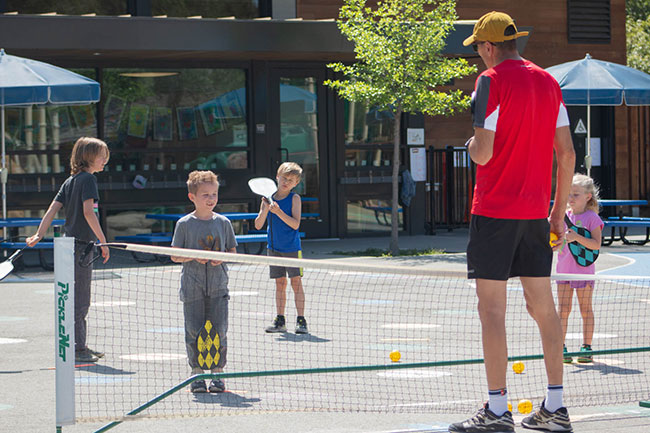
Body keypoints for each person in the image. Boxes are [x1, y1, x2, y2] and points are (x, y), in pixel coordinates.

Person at [449, 11, 576, 433]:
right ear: (513, 42)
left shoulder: (490, 82)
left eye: (479, 51)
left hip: (495, 210)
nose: (480, 60)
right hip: (535, 213)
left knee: (492, 311)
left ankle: (497, 411)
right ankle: (555, 407)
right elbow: (568, 155)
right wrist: (557, 211)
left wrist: (469, 144)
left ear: (488, 47)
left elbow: (483, 153)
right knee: (544, 309)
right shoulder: (548, 80)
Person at [26, 137, 111, 363]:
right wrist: (102, 240)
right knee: (81, 300)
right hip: (82, 247)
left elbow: (52, 210)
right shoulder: (88, 181)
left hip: (66, 246)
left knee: (70, 299)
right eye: (102, 155)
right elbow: (88, 212)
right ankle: (78, 349)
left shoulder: (70, 180)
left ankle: (77, 345)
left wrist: (38, 234)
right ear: (88, 157)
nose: (105, 160)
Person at [171, 170, 237, 393]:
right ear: (193, 197)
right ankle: (197, 373)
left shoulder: (224, 222)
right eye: (205, 195)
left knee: (219, 330)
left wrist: (222, 258)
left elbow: (233, 252)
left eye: (214, 194)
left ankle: (218, 373)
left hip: (219, 285)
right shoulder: (184, 224)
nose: (211, 199)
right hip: (192, 286)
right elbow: (175, 255)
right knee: (193, 330)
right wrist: (193, 256)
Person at [254, 162, 308, 334]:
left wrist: (278, 212)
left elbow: (295, 224)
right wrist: (264, 210)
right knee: (280, 284)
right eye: (284, 178)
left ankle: (301, 320)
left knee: (296, 283)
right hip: (274, 248)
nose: (286, 182)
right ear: (277, 177)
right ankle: (280, 320)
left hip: (291, 248)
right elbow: (258, 225)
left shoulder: (295, 199)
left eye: (291, 180)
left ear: (296, 183)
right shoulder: (268, 199)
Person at [557, 174, 603, 364]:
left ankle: (587, 346)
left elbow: (596, 245)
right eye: (569, 194)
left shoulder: (592, 218)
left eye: (575, 194)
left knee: (585, 309)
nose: (571, 198)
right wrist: (555, 242)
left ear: (588, 197)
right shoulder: (563, 216)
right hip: (563, 271)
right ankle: (560, 347)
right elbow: (556, 243)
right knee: (563, 310)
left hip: (583, 271)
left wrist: (577, 237)